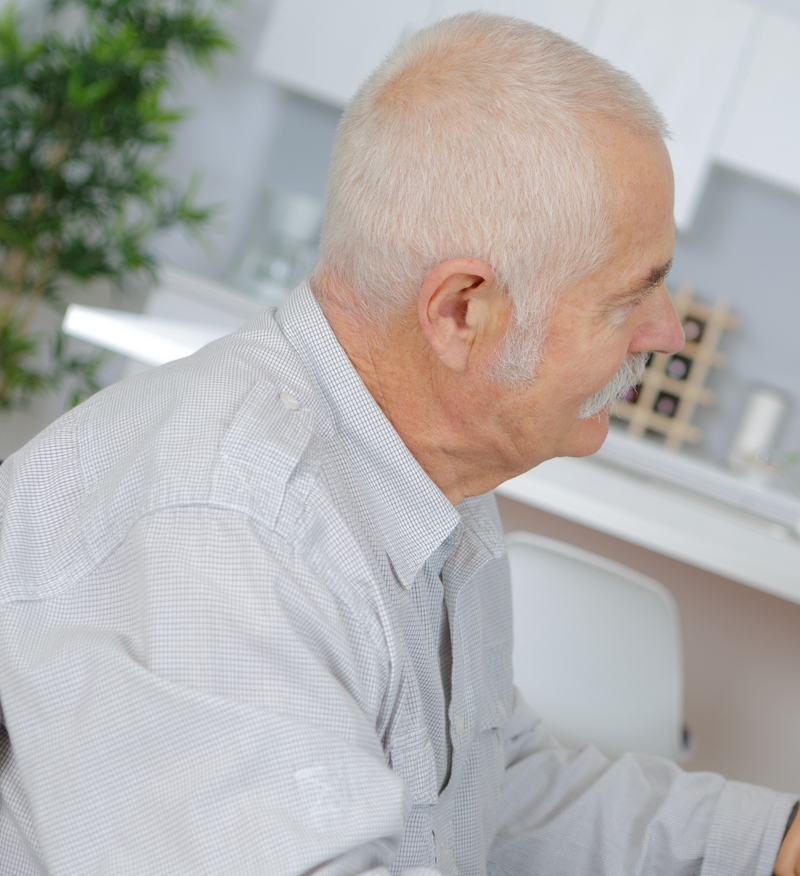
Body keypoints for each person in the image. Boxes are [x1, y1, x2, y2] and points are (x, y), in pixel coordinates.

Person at [0, 11, 798, 876]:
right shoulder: (225, 533)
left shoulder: (421, 480)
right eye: (627, 298)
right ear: (464, 312)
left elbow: (496, 799)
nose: (669, 332)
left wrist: (773, 844)